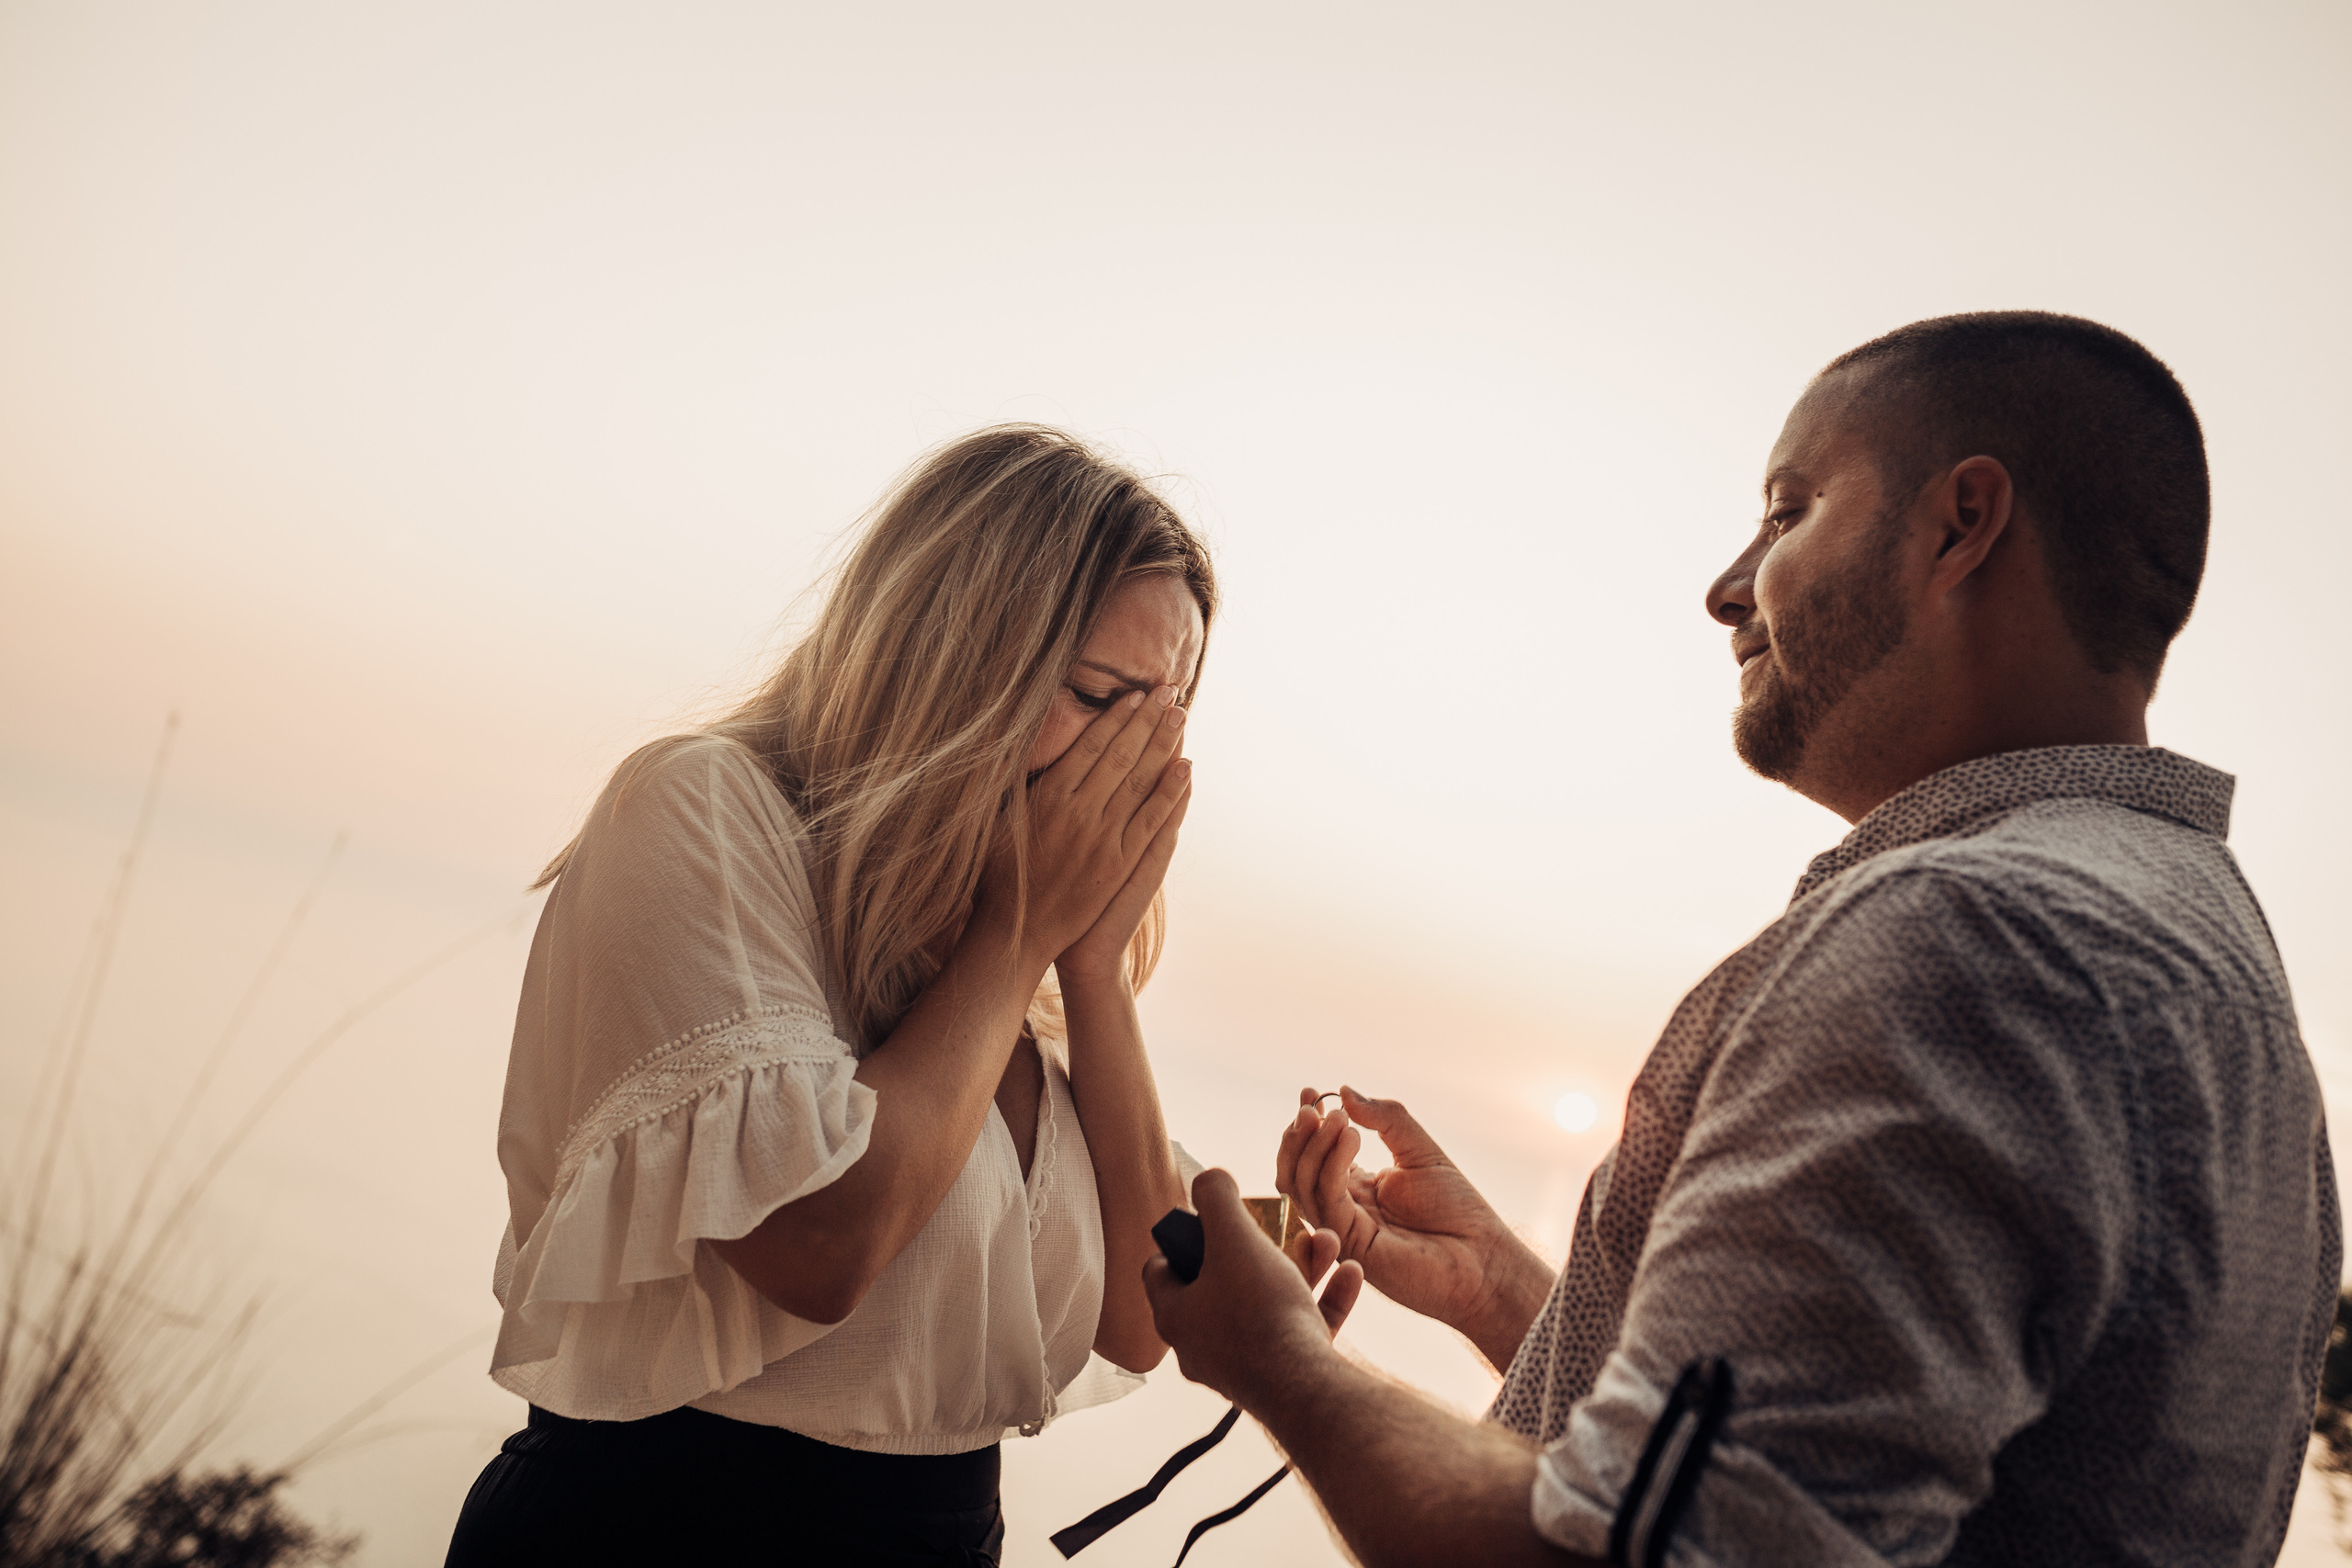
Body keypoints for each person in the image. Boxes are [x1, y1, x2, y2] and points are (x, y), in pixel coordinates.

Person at [1143, 312, 2337, 1567]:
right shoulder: (2222, 973)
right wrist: (1507, 1293)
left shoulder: (1966, 942)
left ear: (1960, 524)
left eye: (1787, 509)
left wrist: (1279, 1358)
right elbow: (1810, 1490)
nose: (1727, 586)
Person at [446, 425, 1214, 1565]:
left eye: (1167, 720)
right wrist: (1017, 940)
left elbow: (1146, 1318)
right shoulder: (703, 810)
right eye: (1104, 698)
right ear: (960, 655)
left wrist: (1091, 969)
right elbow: (819, 1243)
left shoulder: (1001, 943)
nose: (1134, 764)